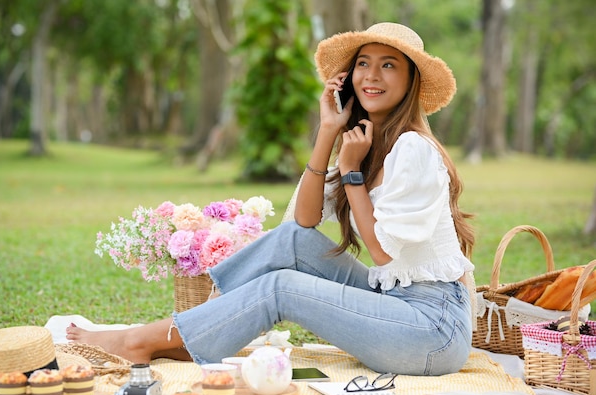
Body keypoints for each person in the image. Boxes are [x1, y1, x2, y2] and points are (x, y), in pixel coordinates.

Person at [67, 22, 476, 376]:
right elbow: (302, 222)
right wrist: (328, 131)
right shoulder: (363, 144)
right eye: (364, 64)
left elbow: (384, 252)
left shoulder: (413, 149)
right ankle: (194, 331)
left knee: (281, 288)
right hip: (395, 302)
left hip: (432, 328)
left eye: (389, 65)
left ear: (410, 82)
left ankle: (144, 340)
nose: (372, 75)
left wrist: (352, 175)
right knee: (292, 243)